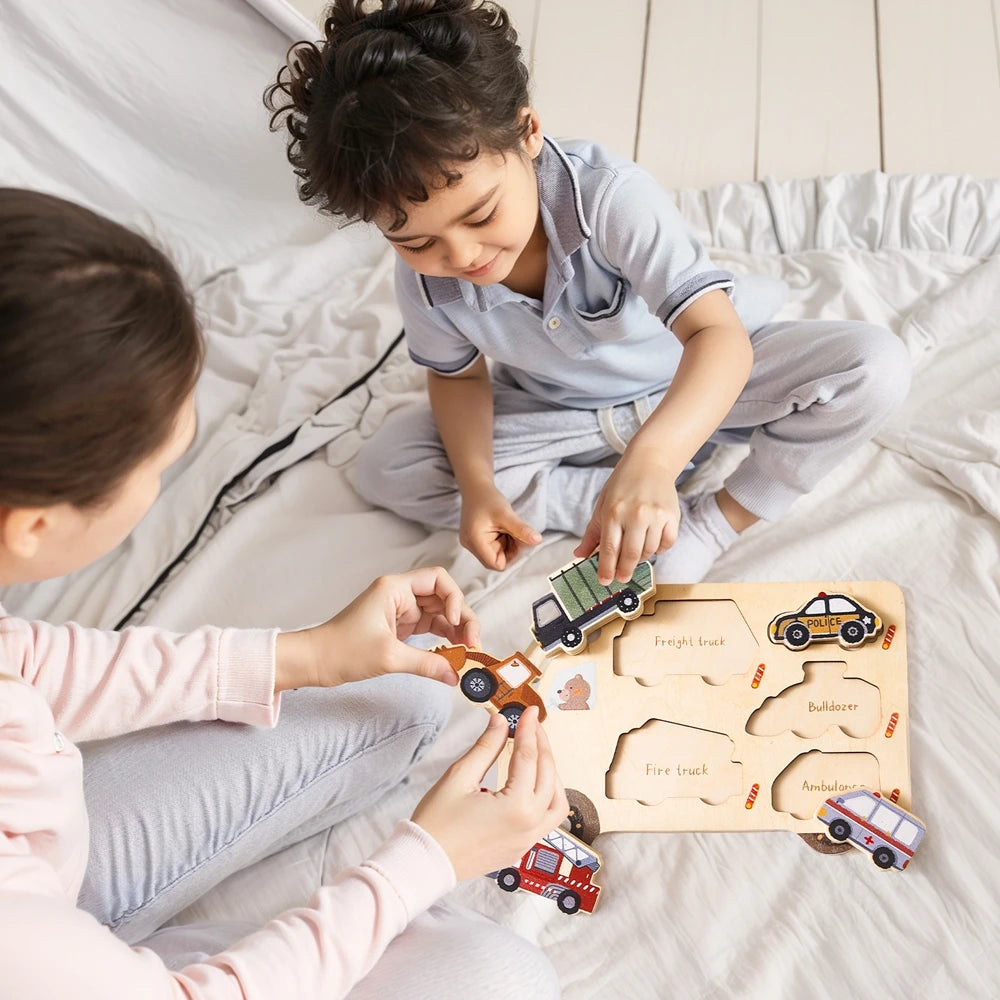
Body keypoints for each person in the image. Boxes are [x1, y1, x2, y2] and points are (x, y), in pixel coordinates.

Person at [0, 187, 564, 998]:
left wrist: (305, 656)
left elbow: (23, 659)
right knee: (500, 980)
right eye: (157, 470)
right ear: (35, 524)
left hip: (47, 878)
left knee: (394, 687)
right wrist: (425, 861)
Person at [266, 0, 912, 588]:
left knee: (872, 366)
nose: (459, 257)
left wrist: (656, 456)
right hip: (561, 417)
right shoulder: (426, 283)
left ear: (527, 134)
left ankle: (711, 521)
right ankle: (621, 499)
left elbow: (716, 336)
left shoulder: (608, 196)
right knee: (387, 464)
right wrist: (480, 489)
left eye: (481, 215)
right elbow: (459, 381)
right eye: (416, 241)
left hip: (700, 383)